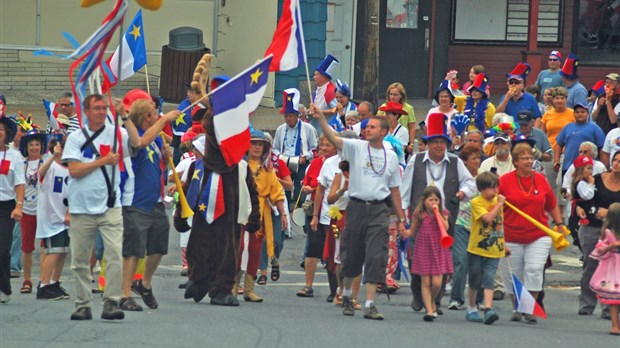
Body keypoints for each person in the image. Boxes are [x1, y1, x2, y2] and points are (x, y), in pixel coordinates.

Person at [311, 103, 406, 320]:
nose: (367, 130)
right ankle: (346, 295)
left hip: (380, 209)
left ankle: (370, 303)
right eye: (366, 127)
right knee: (351, 254)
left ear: (384, 132)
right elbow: (334, 139)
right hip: (356, 207)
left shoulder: (391, 156)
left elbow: (395, 190)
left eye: (372, 127)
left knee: (376, 255)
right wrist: (321, 120)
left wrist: (401, 219)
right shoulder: (356, 147)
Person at [62, 94, 133, 320]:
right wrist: (102, 161)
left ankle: (111, 301)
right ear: (86, 111)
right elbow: (74, 170)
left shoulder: (116, 135)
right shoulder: (75, 138)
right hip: (81, 207)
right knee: (80, 260)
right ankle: (83, 304)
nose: (102, 112)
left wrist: (125, 117)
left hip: (110, 205)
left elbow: (137, 142)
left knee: (113, 254)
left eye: (104, 108)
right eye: (97, 108)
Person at [401, 113, 476, 313]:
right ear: (427, 143)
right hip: (420, 218)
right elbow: (404, 191)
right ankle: (419, 296)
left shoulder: (455, 162)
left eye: (442, 142)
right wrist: (403, 218)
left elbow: (470, 183)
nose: (439, 146)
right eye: (435, 142)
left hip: (445, 219)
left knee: (443, 260)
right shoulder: (415, 161)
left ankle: (435, 301)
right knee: (415, 258)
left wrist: (462, 192)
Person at [114, 98, 180, 312]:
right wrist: (165, 121)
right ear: (145, 117)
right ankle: (125, 294)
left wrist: (164, 154)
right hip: (135, 201)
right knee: (133, 249)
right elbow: (138, 144)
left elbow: (155, 156)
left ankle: (144, 284)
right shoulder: (132, 135)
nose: (157, 116)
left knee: (159, 245)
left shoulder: (156, 139)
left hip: (155, 200)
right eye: (153, 114)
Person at [498, 142, 564, 324]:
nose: (528, 161)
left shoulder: (541, 180)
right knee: (513, 275)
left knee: (534, 270)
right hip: (511, 235)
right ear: (516, 162)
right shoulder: (504, 181)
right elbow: (495, 206)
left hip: (539, 235)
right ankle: (517, 307)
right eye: (524, 158)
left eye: (530, 157)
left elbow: (551, 204)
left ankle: (528, 308)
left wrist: (559, 224)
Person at [235, 130, 287, 303]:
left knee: (255, 250)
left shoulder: (268, 170)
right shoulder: (238, 166)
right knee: (239, 248)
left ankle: (249, 289)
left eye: (260, 144)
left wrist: (284, 214)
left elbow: (277, 192)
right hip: (241, 211)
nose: (257, 147)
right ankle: (233, 286)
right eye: (253, 143)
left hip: (259, 215)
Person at [575, 151, 620, 319]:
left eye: (619, 162)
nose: (616, 164)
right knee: (590, 266)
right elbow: (585, 200)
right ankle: (586, 304)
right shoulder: (598, 179)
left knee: (613, 270)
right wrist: (586, 210)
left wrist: (609, 212)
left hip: (616, 231)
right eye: (615, 160)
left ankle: (609, 308)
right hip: (593, 227)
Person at [401, 186, 452, 322]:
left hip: (439, 247)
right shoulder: (419, 212)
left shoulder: (444, 212)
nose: (434, 203)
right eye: (430, 200)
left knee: (436, 283)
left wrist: (438, 213)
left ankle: (432, 301)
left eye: (436, 200)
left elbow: (446, 228)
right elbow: (412, 230)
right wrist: (405, 233)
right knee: (425, 281)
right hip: (424, 247)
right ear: (424, 201)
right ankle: (429, 310)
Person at [297, 136, 336, 298]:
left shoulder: (341, 164)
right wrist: (307, 188)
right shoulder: (315, 163)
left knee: (333, 252)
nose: (324, 148)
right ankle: (308, 286)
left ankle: (335, 289)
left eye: (328, 145)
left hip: (335, 214)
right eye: (322, 145)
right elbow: (308, 183)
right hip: (316, 210)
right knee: (312, 248)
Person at [465, 172, 507, 325]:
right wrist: (499, 204)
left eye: (496, 187)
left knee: (489, 278)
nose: (495, 191)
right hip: (477, 247)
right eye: (491, 188)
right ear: (482, 189)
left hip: (494, 248)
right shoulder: (477, 202)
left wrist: (504, 243)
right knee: (475, 278)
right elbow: (488, 219)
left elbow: (499, 224)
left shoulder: (497, 200)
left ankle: (488, 308)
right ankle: (471, 307)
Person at [35, 137, 70, 300]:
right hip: (50, 217)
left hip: (65, 217)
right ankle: (44, 285)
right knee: (53, 251)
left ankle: (55, 282)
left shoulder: (71, 169)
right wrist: (52, 156)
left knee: (63, 251)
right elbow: (40, 173)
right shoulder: (51, 167)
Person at [272, 88, 318, 211]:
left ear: (297, 115)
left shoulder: (308, 128)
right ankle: (285, 208)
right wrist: (279, 157)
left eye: (291, 116)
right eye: (286, 116)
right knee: (284, 187)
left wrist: (305, 156)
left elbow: (314, 148)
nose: (288, 119)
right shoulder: (280, 129)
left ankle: (298, 210)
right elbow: (275, 148)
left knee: (300, 187)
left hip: (301, 162)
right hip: (284, 162)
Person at [448, 145, 481, 310]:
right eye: (473, 158)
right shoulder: (458, 179)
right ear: (465, 162)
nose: (477, 161)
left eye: (478, 158)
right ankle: (456, 298)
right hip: (461, 223)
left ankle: (480, 299)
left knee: (478, 263)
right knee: (460, 260)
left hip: (480, 226)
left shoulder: (484, 178)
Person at [257, 132, 293, 285]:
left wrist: (274, 179)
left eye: (263, 145)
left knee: (277, 240)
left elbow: (290, 185)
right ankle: (263, 273)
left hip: (276, 205)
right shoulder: (251, 163)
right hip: (258, 207)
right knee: (262, 240)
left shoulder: (278, 163)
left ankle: (275, 259)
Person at [18, 128, 48, 295]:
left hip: (44, 210)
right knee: (27, 247)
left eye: (37, 144)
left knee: (46, 246)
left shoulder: (47, 162)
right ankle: (27, 279)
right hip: (27, 210)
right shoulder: (21, 164)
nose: (34, 148)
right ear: (26, 147)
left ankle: (44, 280)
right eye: (31, 145)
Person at [0, 112, 24, 304]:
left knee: (3, 248)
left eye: (0, 130)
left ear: (6, 133)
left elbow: (20, 184)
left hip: (6, 206)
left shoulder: (14, 156)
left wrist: (19, 205)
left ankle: (4, 288)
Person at [588, 202, 620, 336]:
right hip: (615, 265)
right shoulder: (609, 232)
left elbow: (601, 247)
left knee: (614, 297)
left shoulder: (606, 231)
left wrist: (608, 246)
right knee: (615, 297)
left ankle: (615, 325)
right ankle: (615, 325)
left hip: (612, 266)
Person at [554, 102, 605, 176]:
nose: (580, 114)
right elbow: (558, 144)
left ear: (587, 114)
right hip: (568, 166)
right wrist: (556, 160)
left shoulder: (595, 128)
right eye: (577, 112)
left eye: (582, 112)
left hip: (589, 168)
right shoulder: (567, 127)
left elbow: (602, 147)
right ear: (574, 114)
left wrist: (602, 164)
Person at [496, 62, 542, 127]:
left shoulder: (530, 98)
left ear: (522, 86)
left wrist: (534, 131)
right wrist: (506, 99)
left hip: (525, 132)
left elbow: (537, 117)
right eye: (511, 82)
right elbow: (497, 115)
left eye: (517, 82)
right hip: (508, 131)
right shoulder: (504, 98)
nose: (513, 85)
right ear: (508, 85)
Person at [377, 83, 416, 154]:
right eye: (391, 94)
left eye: (395, 95)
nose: (392, 97)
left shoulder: (408, 108)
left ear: (401, 95)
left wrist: (411, 144)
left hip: (402, 137)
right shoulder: (383, 106)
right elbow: (377, 122)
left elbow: (412, 127)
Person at [309, 54, 339, 136]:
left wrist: (321, 112)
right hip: (315, 126)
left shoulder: (330, 90)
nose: (314, 77)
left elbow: (336, 109)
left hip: (326, 129)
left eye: (316, 75)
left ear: (324, 77)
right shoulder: (319, 88)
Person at [541, 87, 575, 151]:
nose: (559, 101)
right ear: (553, 100)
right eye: (557, 98)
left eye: (562, 98)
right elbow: (542, 135)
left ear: (566, 99)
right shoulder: (547, 114)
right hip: (550, 150)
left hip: (567, 150)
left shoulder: (573, 113)